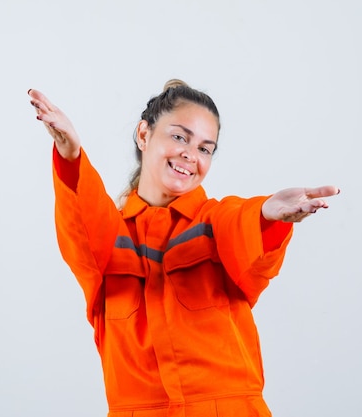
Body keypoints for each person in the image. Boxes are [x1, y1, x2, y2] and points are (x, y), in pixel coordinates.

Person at [28, 80, 339, 417]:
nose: (191, 155)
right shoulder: (111, 240)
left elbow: (241, 229)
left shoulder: (213, 222)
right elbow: (83, 225)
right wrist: (70, 155)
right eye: (179, 137)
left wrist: (266, 215)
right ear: (144, 135)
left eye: (206, 148)